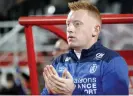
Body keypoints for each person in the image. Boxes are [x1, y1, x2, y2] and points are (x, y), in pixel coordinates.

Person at [41, 0, 129, 95]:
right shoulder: (59, 61)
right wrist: (50, 93)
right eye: (68, 24)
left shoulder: (112, 61)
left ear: (95, 30)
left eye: (77, 24)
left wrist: (73, 92)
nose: (69, 29)